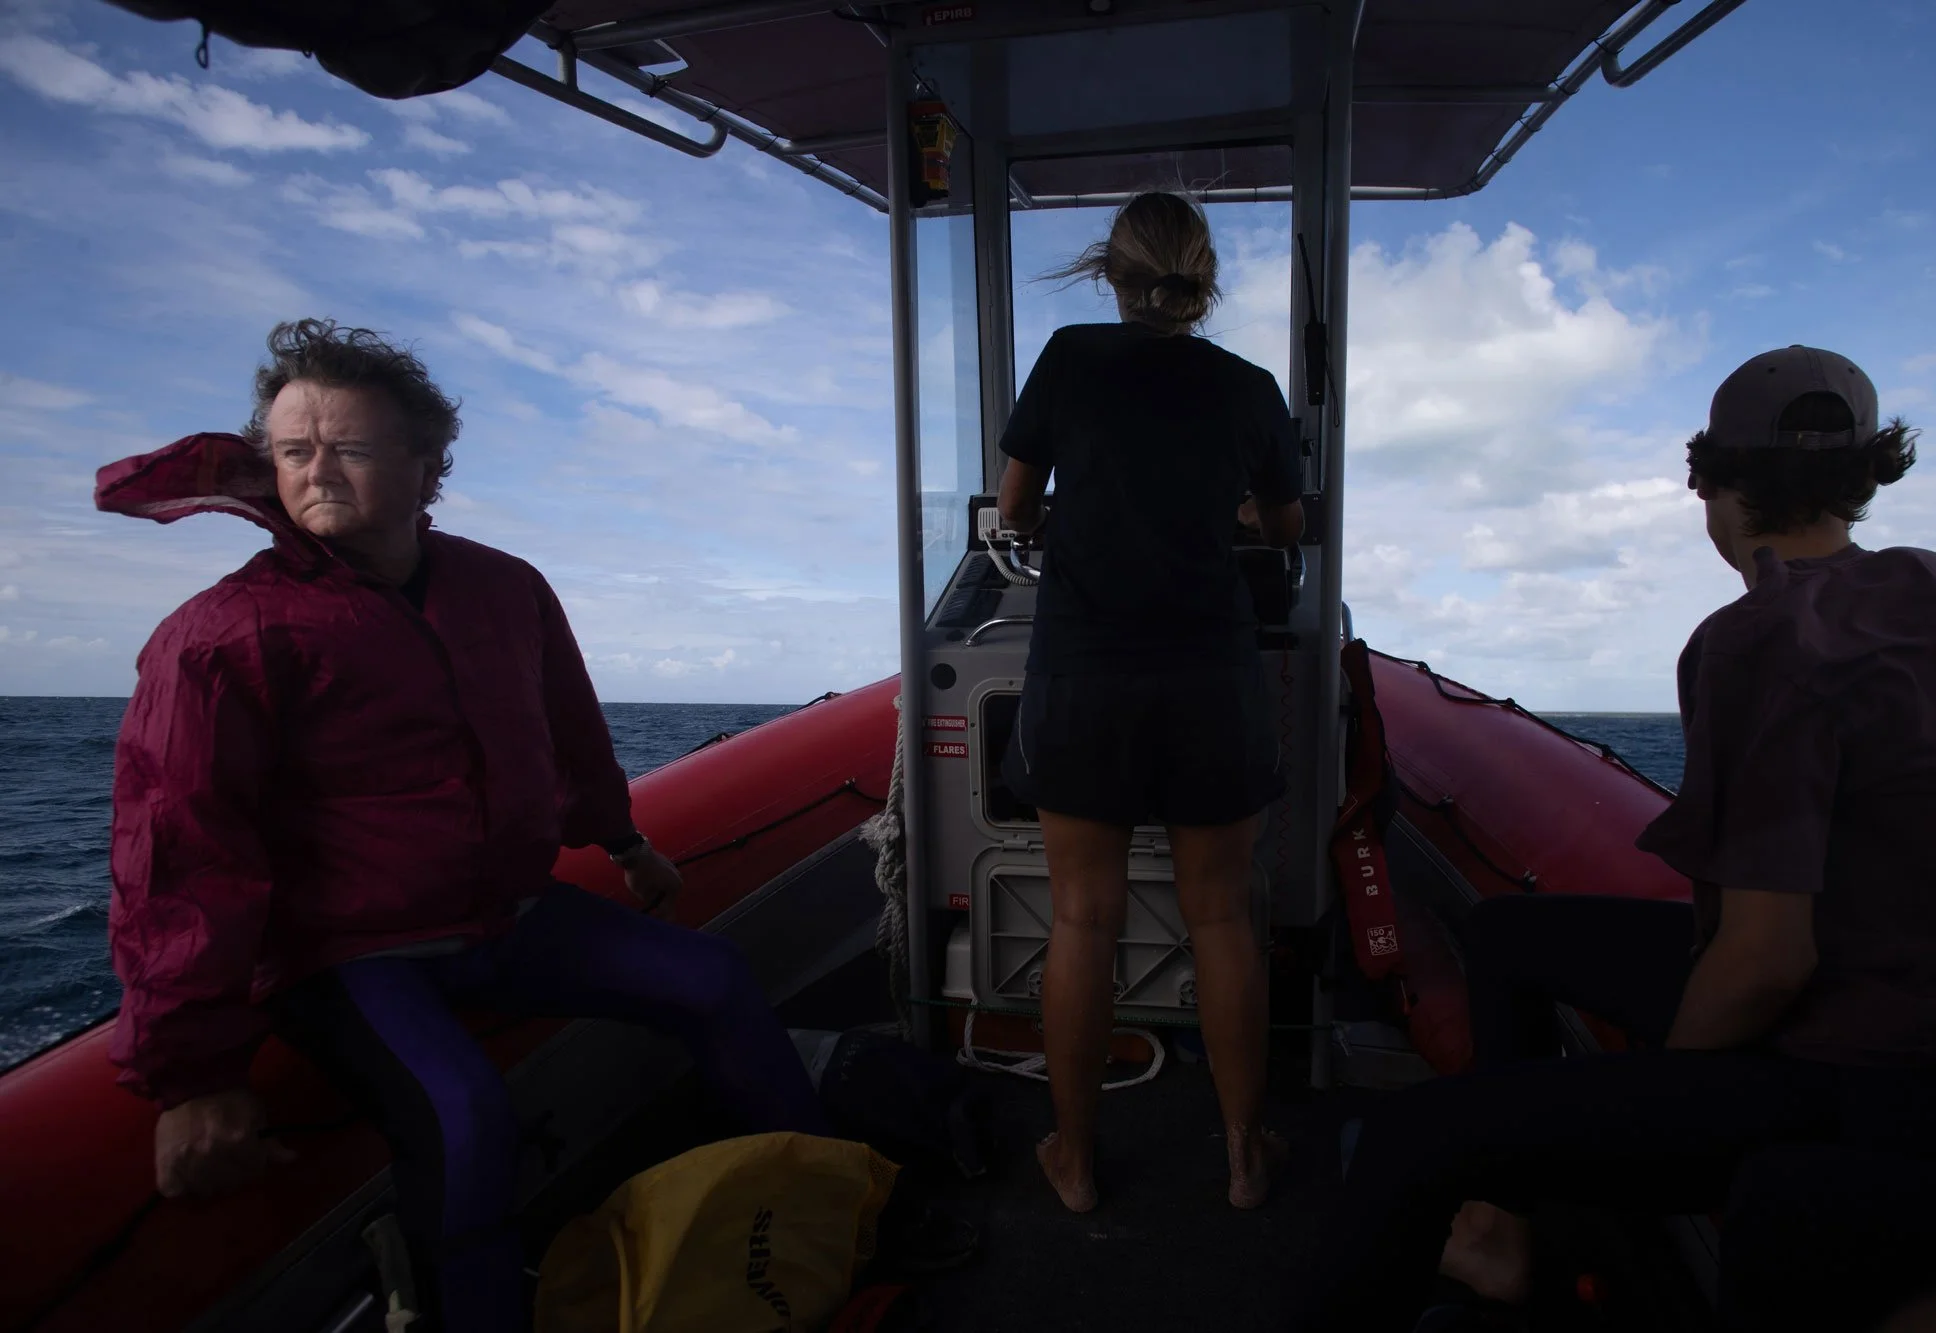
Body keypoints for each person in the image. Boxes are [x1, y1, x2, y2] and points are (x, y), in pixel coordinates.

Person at [98, 320, 829, 1333]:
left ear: (427, 465)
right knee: (464, 1114)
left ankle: (814, 1207)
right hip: (351, 956)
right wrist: (195, 1076)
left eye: (348, 448)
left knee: (713, 979)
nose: (315, 472)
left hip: (506, 915)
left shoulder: (504, 587)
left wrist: (621, 840)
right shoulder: (221, 637)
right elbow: (179, 858)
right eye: (292, 452)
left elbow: (566, 729)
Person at [1315, 346, 1936, 1331]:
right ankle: (1506, 1235)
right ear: (1860, 477)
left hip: (1869, 1064)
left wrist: (1649, 1091)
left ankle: (1511, 1223)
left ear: (1712, 485)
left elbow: (1766, 960)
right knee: (1510, 934)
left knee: (1413, 1138)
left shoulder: (1756, 636)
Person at [993, 192, 1305, 1213]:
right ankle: (1242, 1154)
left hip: (1086, 671)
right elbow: (1283, 524)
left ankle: (1074, 1160)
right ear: (1201, 278)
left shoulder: (1069, 359)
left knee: (1082, 918)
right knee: (1221, 917)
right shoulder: (1250, 388)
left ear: (1109, 274)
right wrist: (1242, 510)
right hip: (1210, 677)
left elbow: (1012, 507)